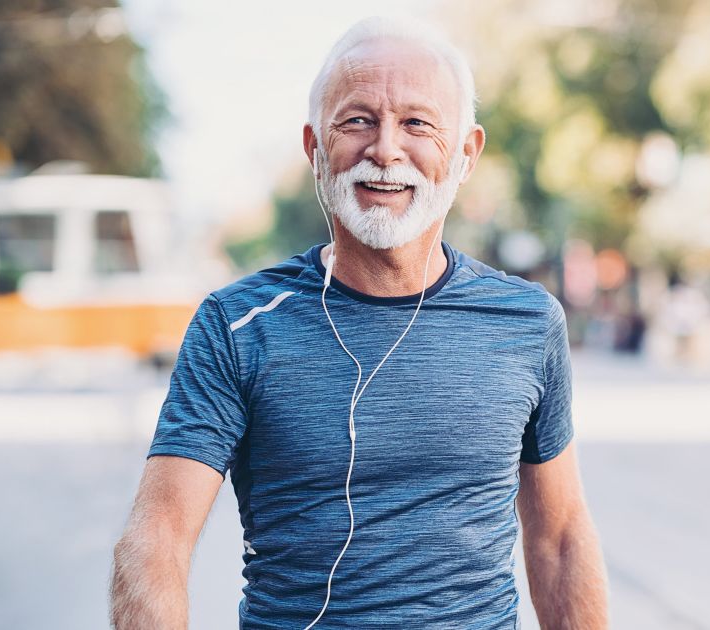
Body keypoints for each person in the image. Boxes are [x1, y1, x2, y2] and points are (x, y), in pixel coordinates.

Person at [110, 16, 608, 629]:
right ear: (315, 148)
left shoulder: (528, 323)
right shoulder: (236, 326)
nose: (386, 150)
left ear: (466, 154)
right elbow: (156, 540)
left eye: (417, 123)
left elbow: (559, 541)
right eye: (357, 120)